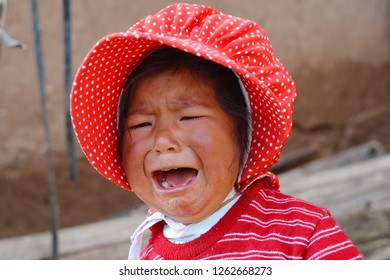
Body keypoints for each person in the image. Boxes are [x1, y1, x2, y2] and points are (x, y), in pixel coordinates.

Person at [70, 3, 363, 260]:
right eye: (140, 125)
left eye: (190, 116)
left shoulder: (304, 234)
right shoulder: (150, 257)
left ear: (244, 133)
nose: (162, 141)